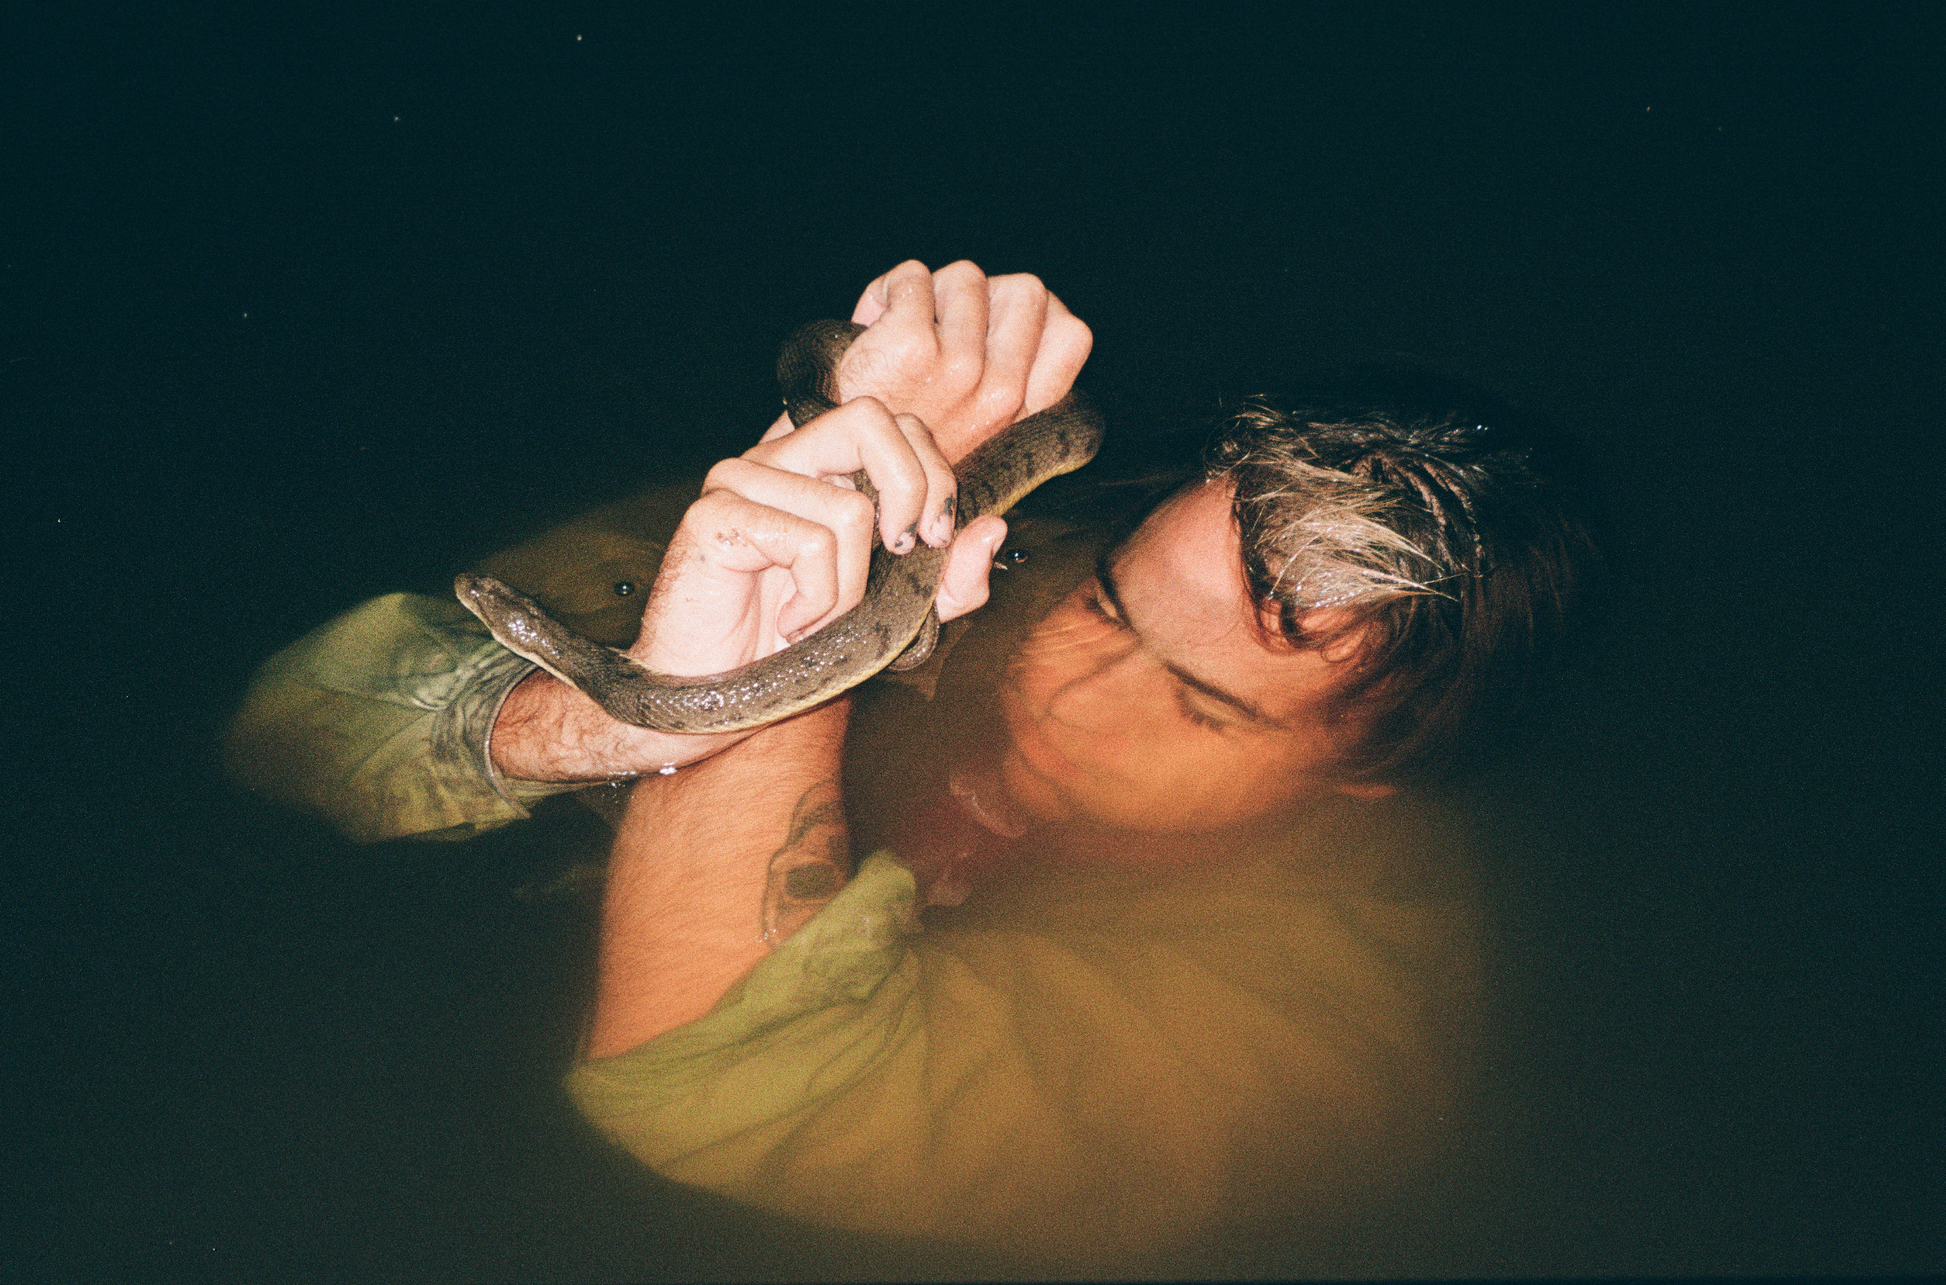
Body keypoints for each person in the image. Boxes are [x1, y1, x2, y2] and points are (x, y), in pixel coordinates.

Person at [228, 261, 1594, 1272]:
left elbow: (709, 1091)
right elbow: (294, 735)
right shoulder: (952, 538)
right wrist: (618, 722)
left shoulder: (1330, 1024)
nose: (1071, 693)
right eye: (1108, 606)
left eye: (1202, 706)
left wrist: (783, 662)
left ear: (1365, 779)